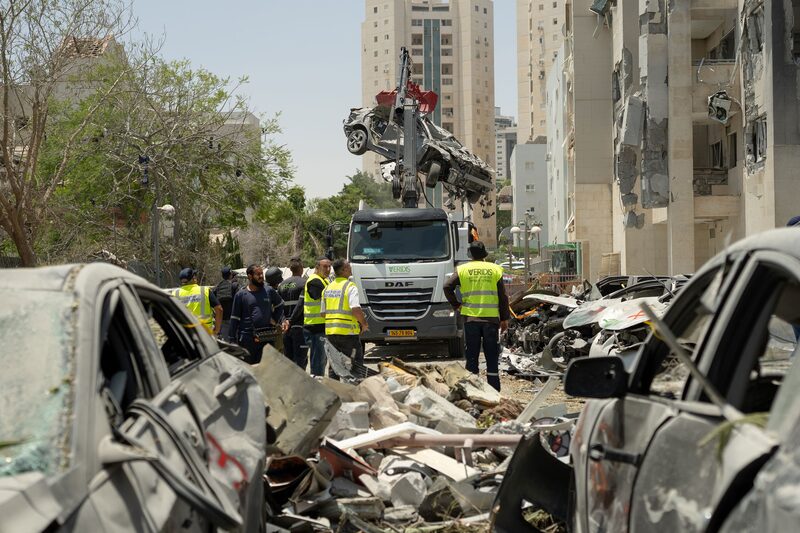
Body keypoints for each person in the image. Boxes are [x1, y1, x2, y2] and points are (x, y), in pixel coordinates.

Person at [443, 241, 509, 391]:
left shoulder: (462, 270)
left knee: (472, 355)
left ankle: (473, 390)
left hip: (471, 319)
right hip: (491, 320)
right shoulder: (495, 269)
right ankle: (494, 390)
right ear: (484, 254)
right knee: (491, 355)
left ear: (470, 255)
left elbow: (447, 287)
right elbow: (503, 297)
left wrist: (457, 305)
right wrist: (504, 318)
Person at [229, 264, 285, 364]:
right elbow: (234, 319)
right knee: (250, 370)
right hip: (247, 340)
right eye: (258, 274)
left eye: (262, 274)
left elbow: (280, 305)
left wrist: (276, 320)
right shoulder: (241, 295)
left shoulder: (269, 291)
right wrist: (232, 340)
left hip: (267, 338)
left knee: (266, 371)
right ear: (250, 276)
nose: (261, 277)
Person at [321, 259, 368, 375]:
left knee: (334, 366)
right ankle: (354, 391)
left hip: (331, 333)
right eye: (348, 266)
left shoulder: (327, 288)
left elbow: (323, 313)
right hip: (348, 334)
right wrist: (364, 324)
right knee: (355, 365)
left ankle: (335, 392)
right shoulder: (350, 287)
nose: (350, 268)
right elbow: (355, 308)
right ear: (343, 270)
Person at [294, 257, 332, 376]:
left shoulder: (324, 280)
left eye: (329, 266)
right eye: (325, 266)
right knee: (318, 362)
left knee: (321, 360)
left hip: (321, 326)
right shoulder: (314, 281)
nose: (328, 269)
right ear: (317, 268)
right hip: (315, 328)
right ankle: (317, 387)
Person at [171, 267, 223, 337]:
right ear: (193, 278)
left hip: (185, 334)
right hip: (205, 333)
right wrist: (217, 330)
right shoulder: (205, 291)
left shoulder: (175, 293)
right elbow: (219, 309)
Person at [278, 258, 309, 369]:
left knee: (288, 361)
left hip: (286, 329)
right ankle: (300, 386)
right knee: (300, 361)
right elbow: (300, 305)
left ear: (291, 269)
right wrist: (290, 320)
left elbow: (279, 307)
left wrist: (284, 321)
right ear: (301, 269)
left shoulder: (282, 285)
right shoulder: (304, 283)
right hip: (299, 327)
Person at [212, 266, 239, 340]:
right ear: (230, 275)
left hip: (221, 319)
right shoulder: (234, 286)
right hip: (234, 318)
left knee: (226, 343)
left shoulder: (217, 287)